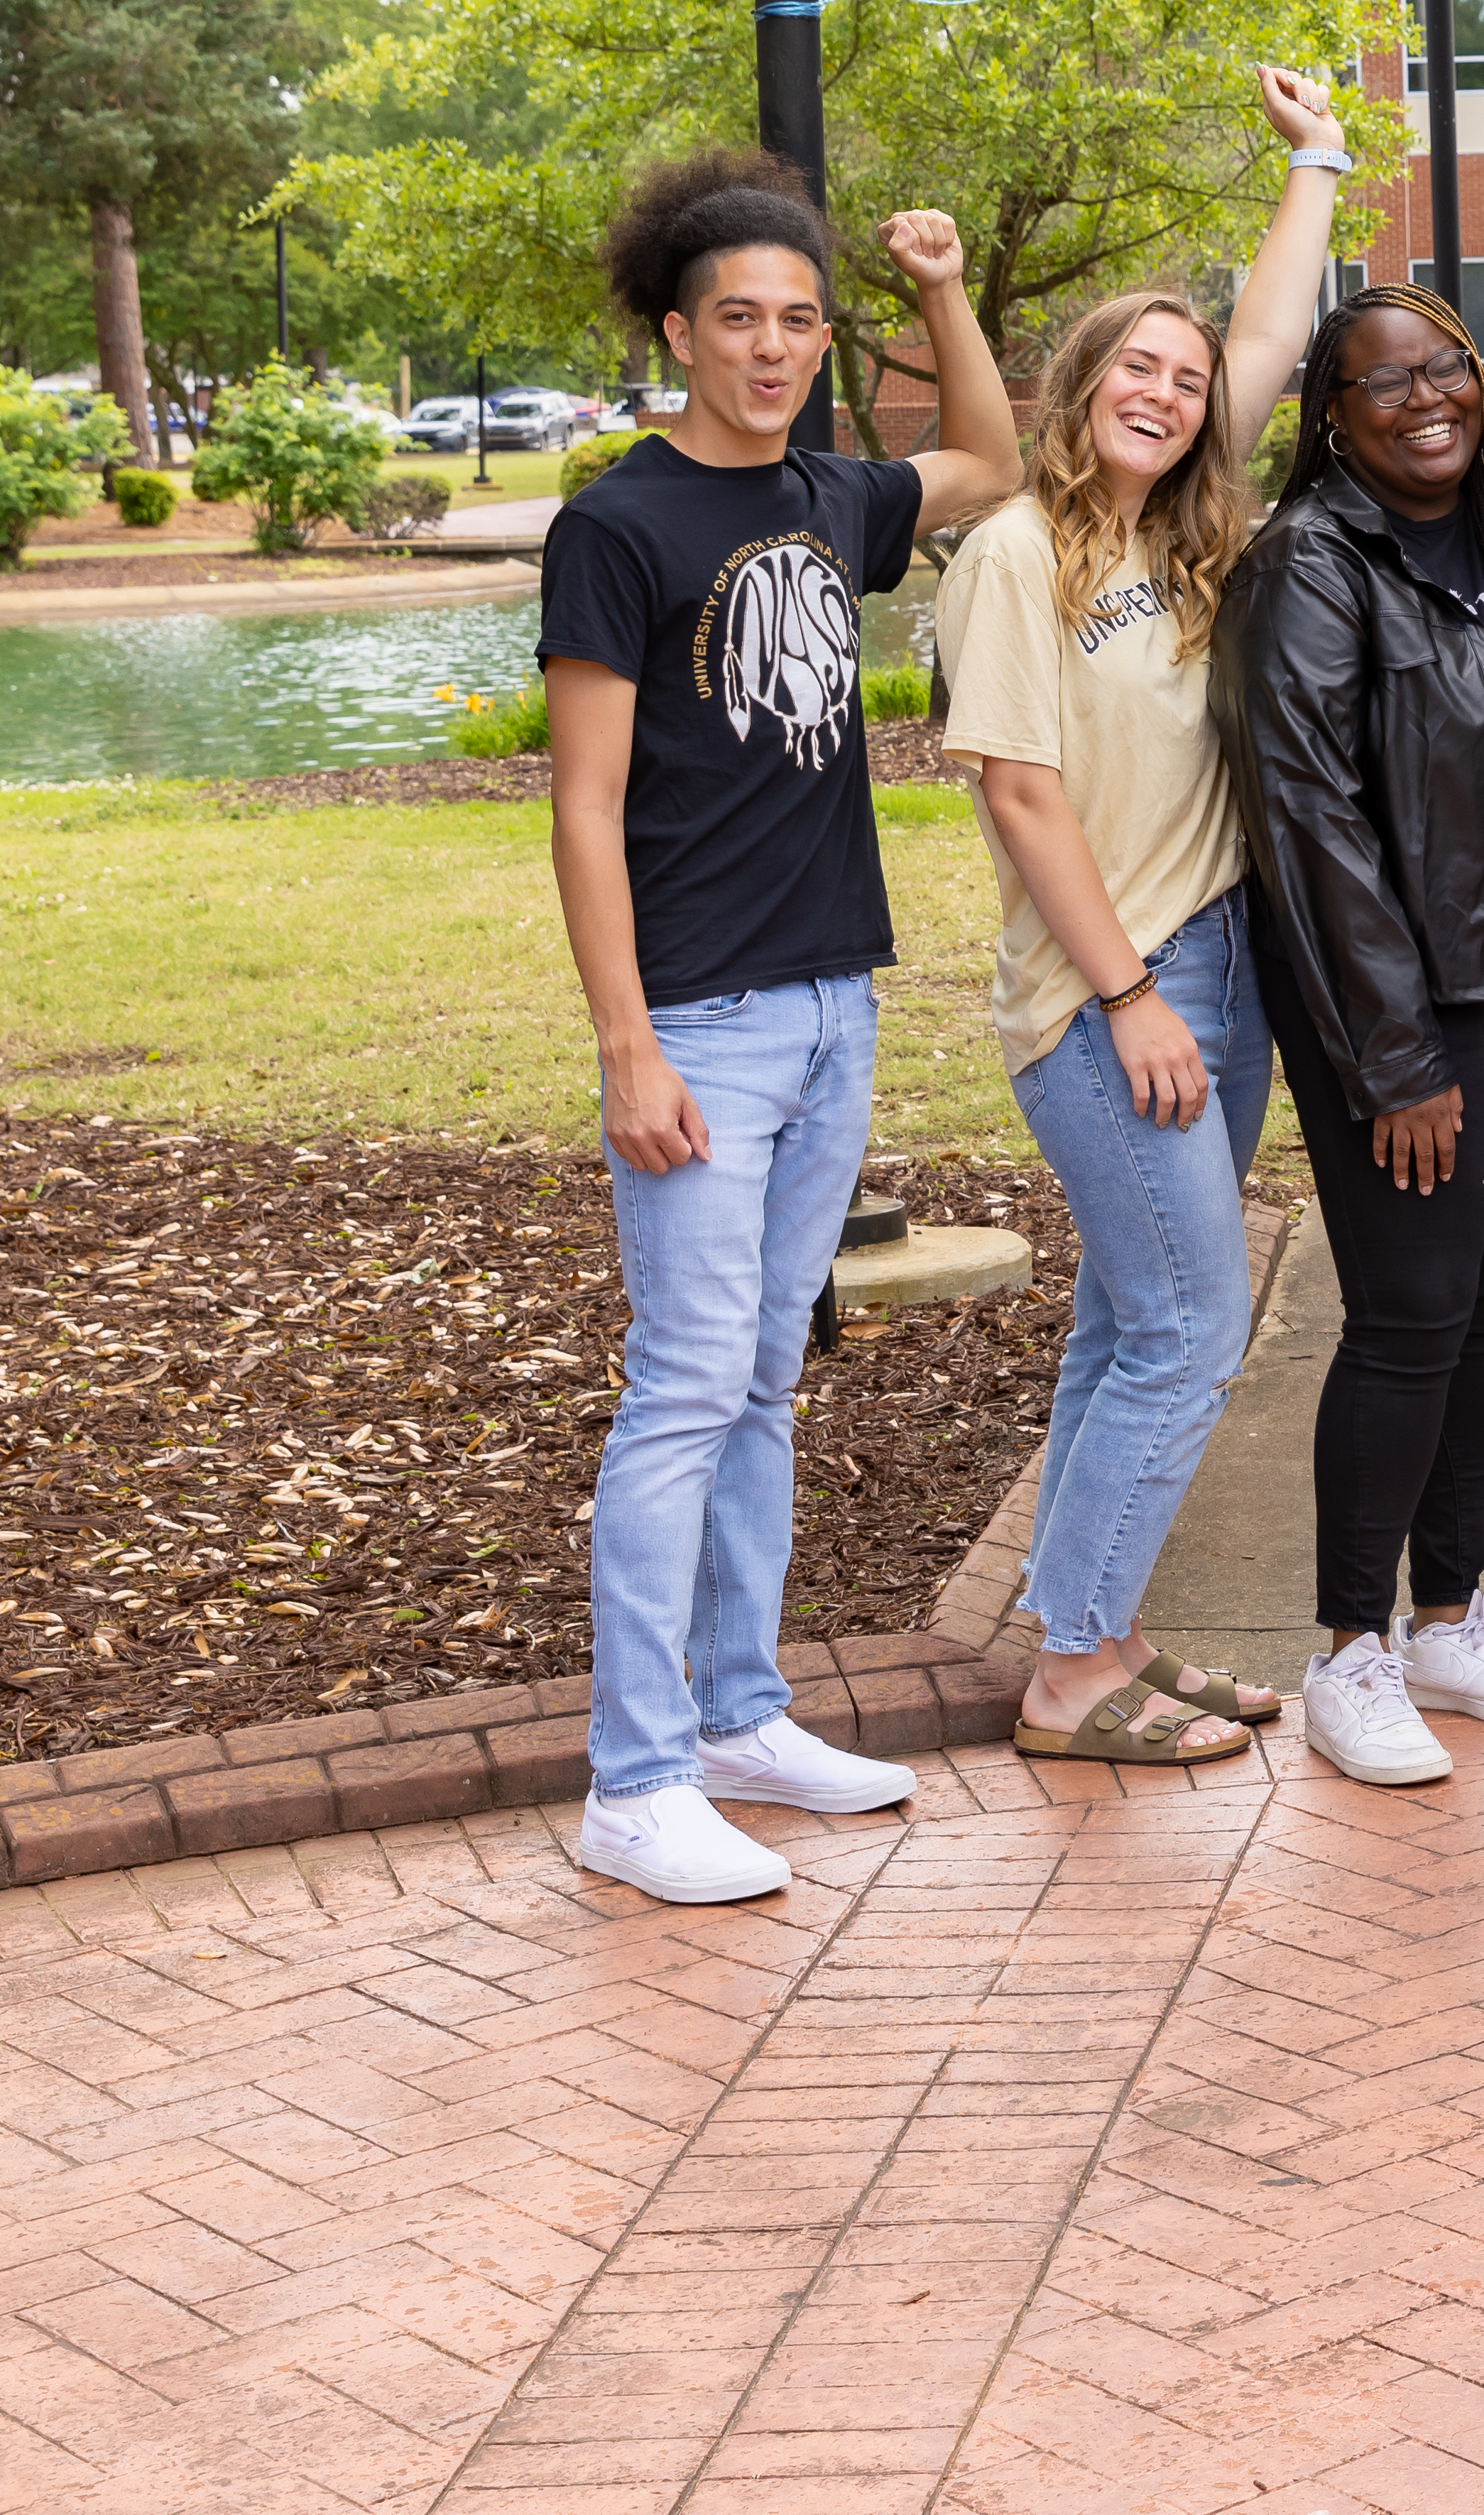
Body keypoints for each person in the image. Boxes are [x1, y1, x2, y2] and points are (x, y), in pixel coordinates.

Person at [538, 151, 1025, 1906]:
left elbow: (990, 462)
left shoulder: (829, 490)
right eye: (737, 316)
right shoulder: (618, 522)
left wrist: (943, 290)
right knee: (682, 1386)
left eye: (799, 319)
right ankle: (634, 1775)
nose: (771, 344)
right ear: (675, 329)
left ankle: (741, 1717)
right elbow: (584, 807)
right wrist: (627, 1046)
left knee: (759, 1377)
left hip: (831, 1000)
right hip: (701, 1016)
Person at [942, 63, 1351, 1774]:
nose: (1171, 394)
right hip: (1113, 989)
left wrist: (1316, 160)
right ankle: (1065, 1678)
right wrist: (1128, 994)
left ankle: (1096, 1631)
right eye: (1138, 367)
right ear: (1079, 382)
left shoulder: (1181, 546)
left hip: (1224, 962)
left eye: (1187, 382)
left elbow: (1267, 335)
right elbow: (1020, 794)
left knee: (1129, 1317)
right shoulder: (1018, 553)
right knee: (1189, 1325)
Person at [1221, 217, 1484, 1791]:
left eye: (1442, 370)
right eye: (1380, 384)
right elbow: (1310, 820)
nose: (1421, 400)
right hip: (1401, 974)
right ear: (1333, 421)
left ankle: (1453, 1612)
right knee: (1407, 1312)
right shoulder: (1311, 565)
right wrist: (1396, 1054)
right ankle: (1349, 1649)